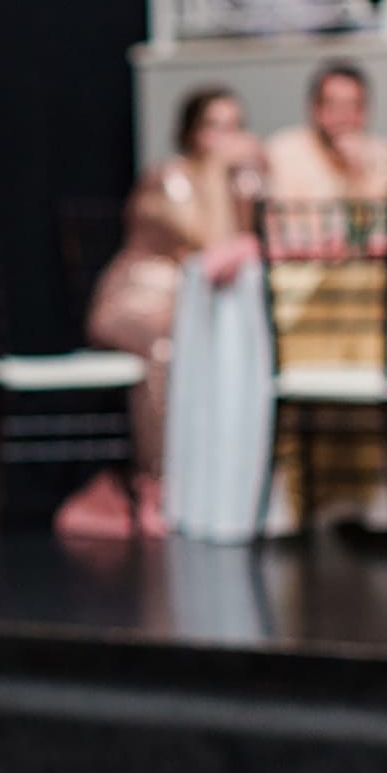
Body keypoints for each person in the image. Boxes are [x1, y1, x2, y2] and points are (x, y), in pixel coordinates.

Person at [84, 86, 263, 508]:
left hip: (185, 310)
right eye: (214, 126)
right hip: (136, 303)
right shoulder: (170, 179)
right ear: (190, 132)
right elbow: (211, 244)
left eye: (234, 126)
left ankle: (221, 481)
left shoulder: (238, 184)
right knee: (166, 351)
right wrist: (220, 173)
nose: (225, 137)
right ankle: (156, 484)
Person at [265, 60, 387, 202]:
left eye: (353, 106)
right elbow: (283, 215)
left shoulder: (385, 154)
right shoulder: (285, 150)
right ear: (315, 110)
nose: (344, 117)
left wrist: (359, 174)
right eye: (334, 106)